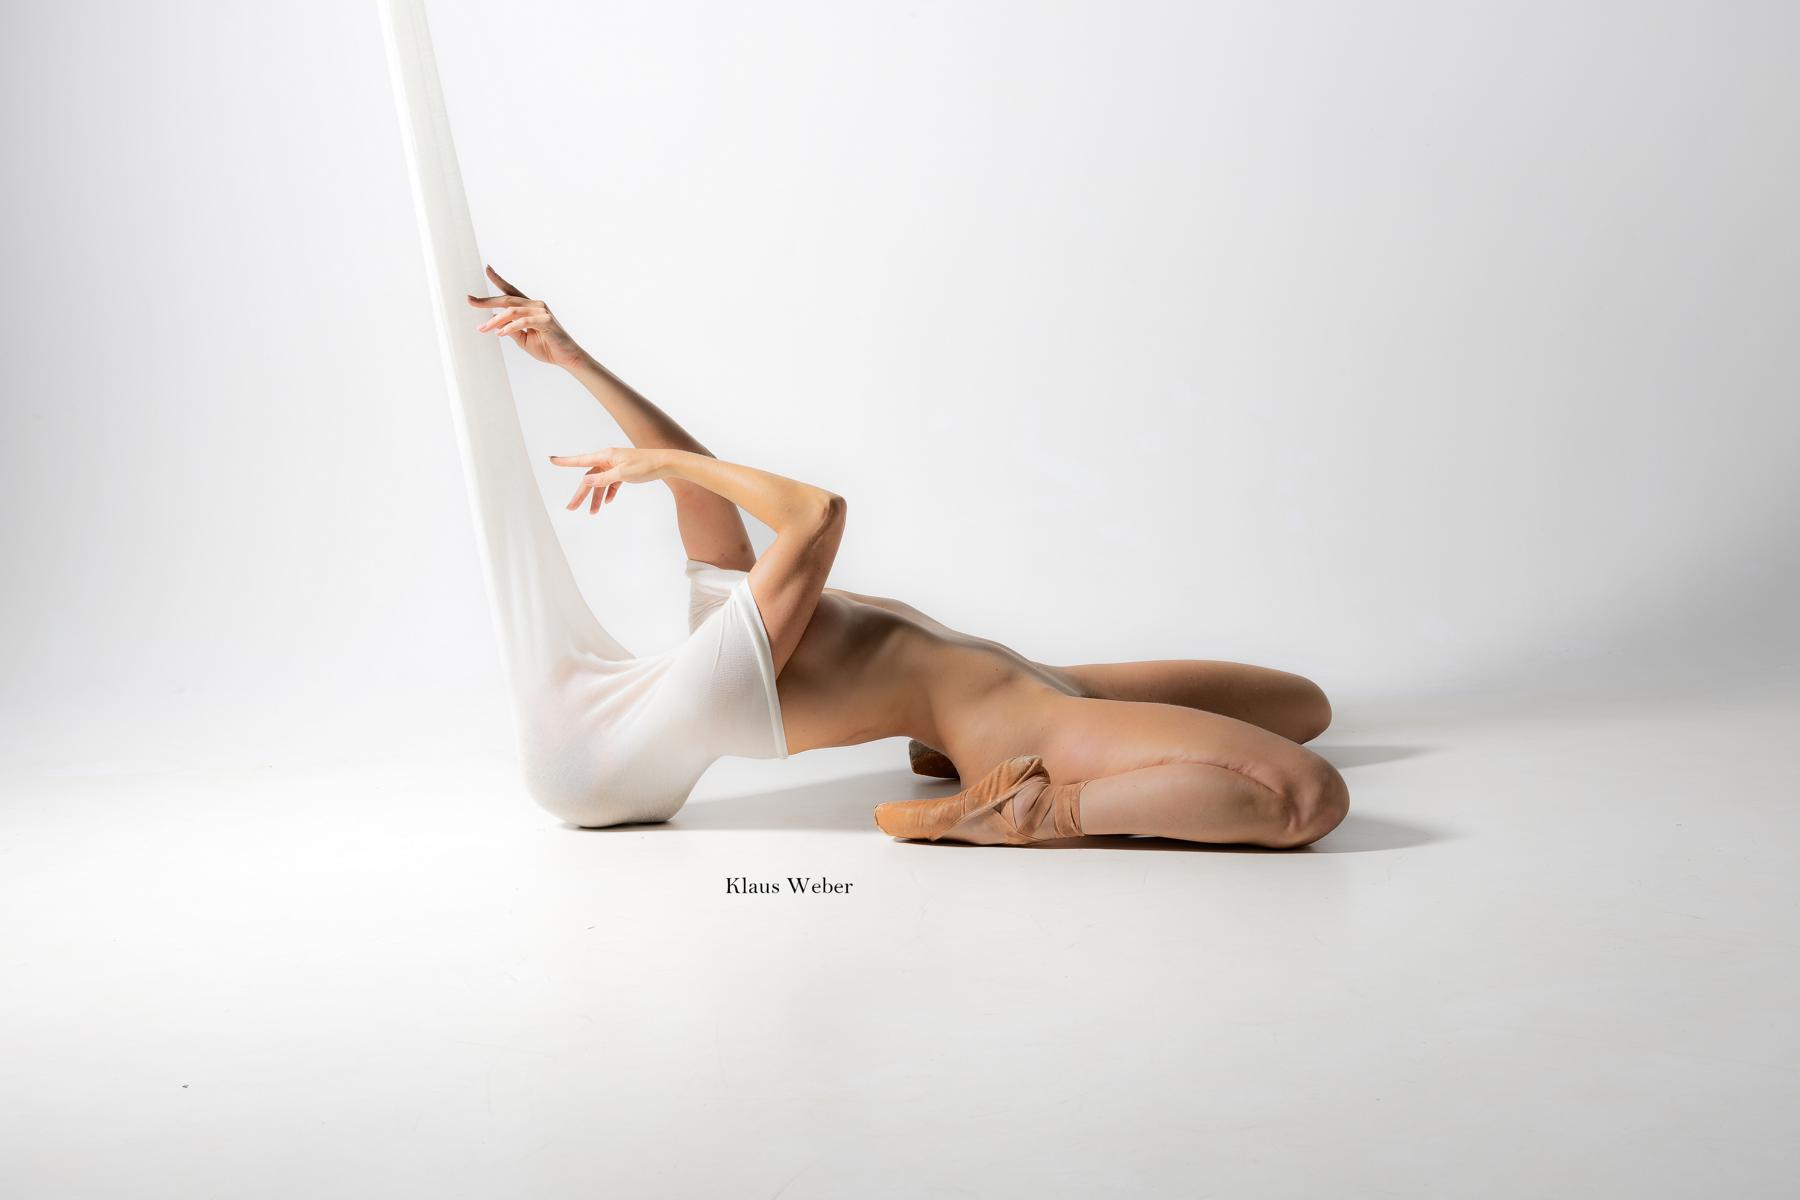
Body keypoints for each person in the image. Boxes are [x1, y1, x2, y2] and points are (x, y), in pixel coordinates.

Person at [466, 266, 1348, 849]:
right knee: (1306, 796)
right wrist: (666, 467)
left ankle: (953, 755)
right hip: (1021, 731)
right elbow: (817, 514)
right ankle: (1030, 812)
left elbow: (699, 497)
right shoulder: (720, 691)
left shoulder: (712, 644)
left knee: (1305, 706)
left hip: (1033, 680)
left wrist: (571, 357)